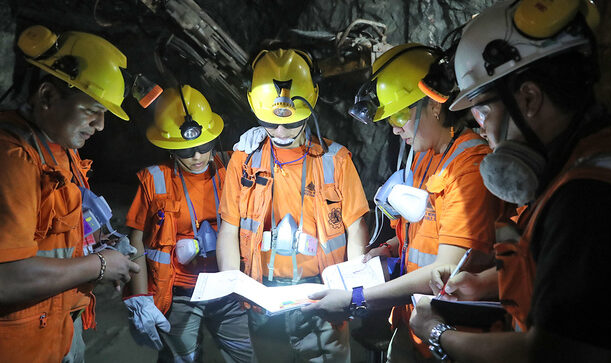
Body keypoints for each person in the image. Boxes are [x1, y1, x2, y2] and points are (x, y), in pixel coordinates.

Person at [410, 0, 611, 361]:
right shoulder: (576, 166)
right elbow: (562, 276)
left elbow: (550, 352)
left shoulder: (586, 196)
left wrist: (438, 334)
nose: (482, 127)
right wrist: (482, 284)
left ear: (530, 98)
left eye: (483, 110)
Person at [302, 43, 500, 362]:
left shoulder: (469, 169)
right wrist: (390, 248)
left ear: (434, 106)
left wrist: (356, 297)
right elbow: (425, 232)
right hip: (413, 323)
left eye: (399, 114)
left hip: (451, 337)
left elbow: (446, 269)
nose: (394, 128)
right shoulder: (425, 156)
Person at [216, 48, 370, 362]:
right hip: (262, 298)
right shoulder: (242, 162)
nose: (281, 131)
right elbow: (229, 229)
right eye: (270, 124)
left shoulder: (335, 161)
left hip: (323, 297)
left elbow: (356, 231)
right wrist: (233, 283)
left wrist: (351, 291)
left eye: (290, 123)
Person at [0, 25, 140, 363]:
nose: (101, 125)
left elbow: (55, 236)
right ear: (47, 97)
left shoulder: (61, 150)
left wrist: (95, 247)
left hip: (57, 330)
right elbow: (6, 278)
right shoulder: (13, 159)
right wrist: (100, 265)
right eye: (92, 109)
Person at [124, 85, 253, 362]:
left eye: (204, 147)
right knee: (182, 358)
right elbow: (135, 239)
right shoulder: (155, 180)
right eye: (186, 151)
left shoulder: (233, 165)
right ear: (170, 149)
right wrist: (140, 297)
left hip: (228, 288)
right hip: (181, 291)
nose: (197, 157)